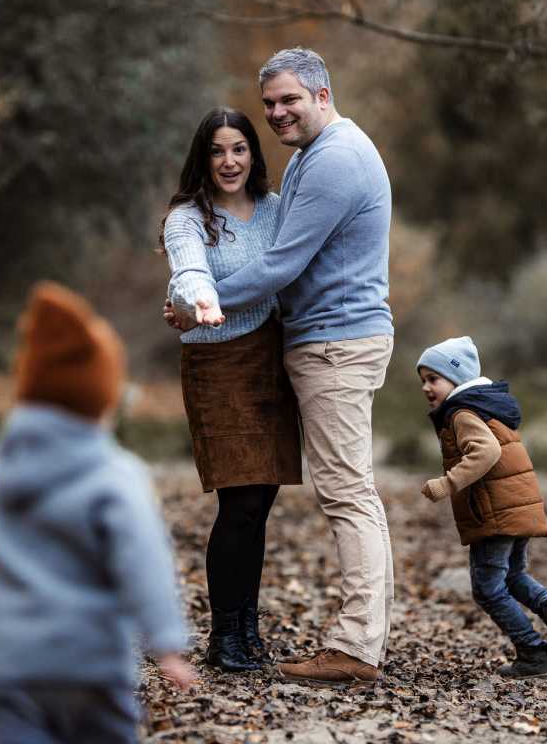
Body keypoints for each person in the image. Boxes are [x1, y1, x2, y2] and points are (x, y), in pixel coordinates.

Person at [167, 48, 395, 687]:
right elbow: (192, 253)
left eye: (289, 100)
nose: (277, 113)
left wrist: (201, 304)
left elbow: (280, 266)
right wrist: (193, 295)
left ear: (324, 93)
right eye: (269, 103)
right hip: (308, 345)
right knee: (330, 495)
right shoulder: (310, 159)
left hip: (335, 343)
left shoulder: (335, 161)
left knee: (348, 494)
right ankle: (320, 637)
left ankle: (356, 646)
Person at [0, 281, 195, 744]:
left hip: (12, 660)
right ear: (101, 400)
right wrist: (166, 640)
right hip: (89, 662)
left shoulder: (9, 466)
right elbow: (143, 559)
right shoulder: (115, 475)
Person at [161, 107, 303, 673]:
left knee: (259, 501)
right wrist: (201, 300)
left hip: (271, 360)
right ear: (204, 156)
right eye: (218, 151)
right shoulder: (187, 217)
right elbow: (189, 269)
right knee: (239, 501)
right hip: (217, 364)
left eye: (239, 149)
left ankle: (248, 629)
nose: (229, 161)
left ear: (253, 154)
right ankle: (225, 637)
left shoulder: (274, 211)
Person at [416, 336, 547, 679]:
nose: (426, 387)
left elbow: (486, 452)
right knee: (512, 575)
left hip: (494, 513)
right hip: (514, 507)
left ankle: (533, 654)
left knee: (487, 588)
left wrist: (446, 483)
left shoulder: (462, 413)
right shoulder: (485, 406)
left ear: (457, 378)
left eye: (433, 379)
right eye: (422, 381)